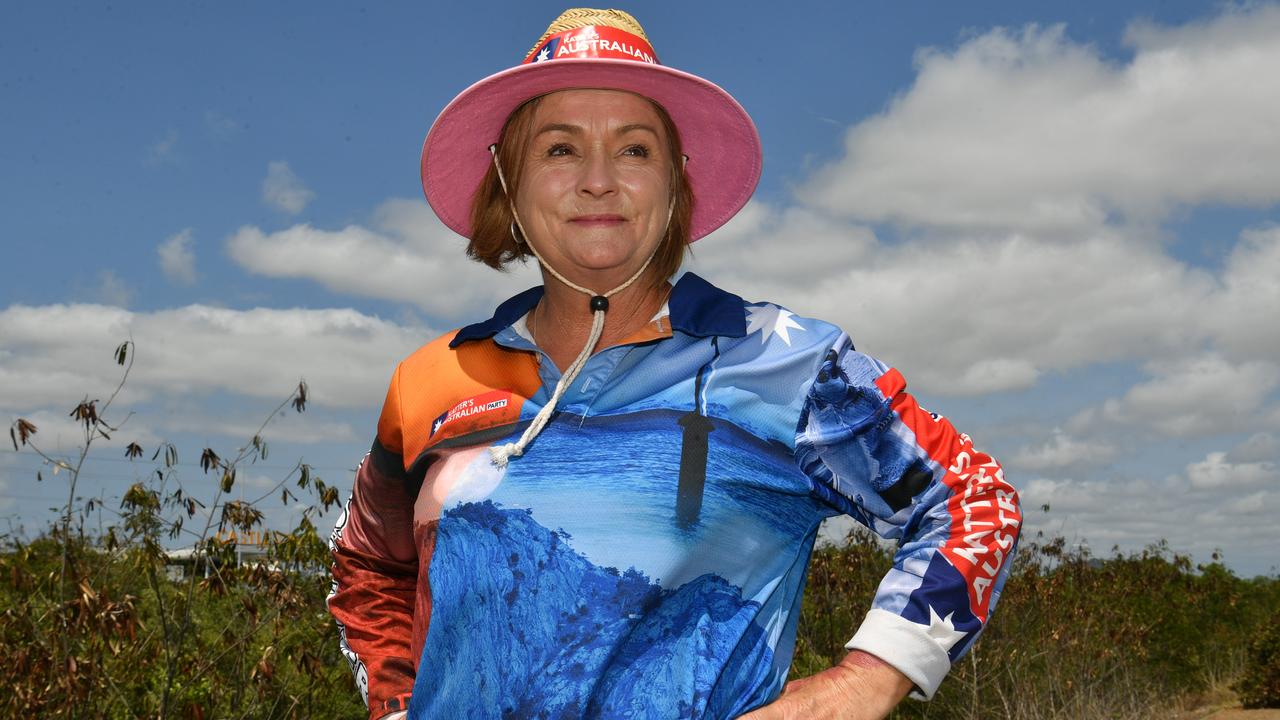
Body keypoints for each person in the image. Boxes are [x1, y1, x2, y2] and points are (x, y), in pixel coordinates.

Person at [328, 8, 1021, 720]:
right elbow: (368, 563)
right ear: (508, 178)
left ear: (676, 181)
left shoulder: (784, 364)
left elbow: (973, 499)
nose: (598, 180)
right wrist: (395, 703)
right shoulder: (433, 379)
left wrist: (863, 682)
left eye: (634, 150)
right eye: (559, 150)